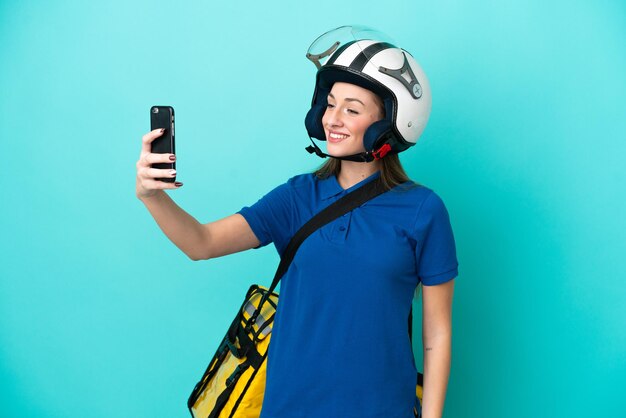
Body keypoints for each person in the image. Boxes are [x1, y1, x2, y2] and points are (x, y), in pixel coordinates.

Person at [136, 26, 458, 418]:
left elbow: (437, 334)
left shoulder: (424, 210)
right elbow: (200, 243)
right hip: (290, 408)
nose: (332, 119)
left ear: (391, 124)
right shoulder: (297, 197)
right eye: (330, 103)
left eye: (352, 109)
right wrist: (153, 196)